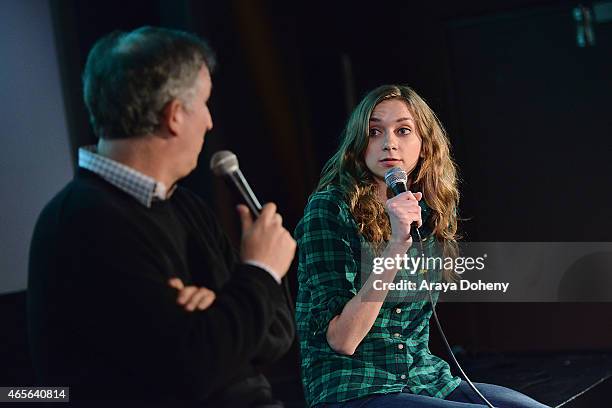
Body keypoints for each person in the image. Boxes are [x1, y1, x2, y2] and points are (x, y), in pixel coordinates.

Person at [28, 26, 296, 407]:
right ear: (174, 115)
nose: (209, 121)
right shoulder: (83, 224)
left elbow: (277, 334)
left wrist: (222, 312)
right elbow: (192, 369)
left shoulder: (187, 207)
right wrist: (259, 273)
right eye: (204, 103)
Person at [295, 85, 549, 407]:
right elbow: (343, 339)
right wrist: (395, 246)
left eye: (403, 130)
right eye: (374, 132)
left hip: (425, 379)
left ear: (424, 145)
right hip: (356, 386)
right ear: (358, 144)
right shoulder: (330, 208)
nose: (389, 143)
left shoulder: (427, 212)